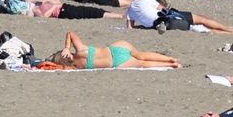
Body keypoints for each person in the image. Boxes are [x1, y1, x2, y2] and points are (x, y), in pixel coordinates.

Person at [47, 31, 180, 70]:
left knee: (143, 64)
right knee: (141, 55)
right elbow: (70, 33)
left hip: (116, 62)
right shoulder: (81, 50)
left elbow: (57, 68)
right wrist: (67, 47)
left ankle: (171, 65)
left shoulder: (77, 67)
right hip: (115, 49)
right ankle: (170, 59)